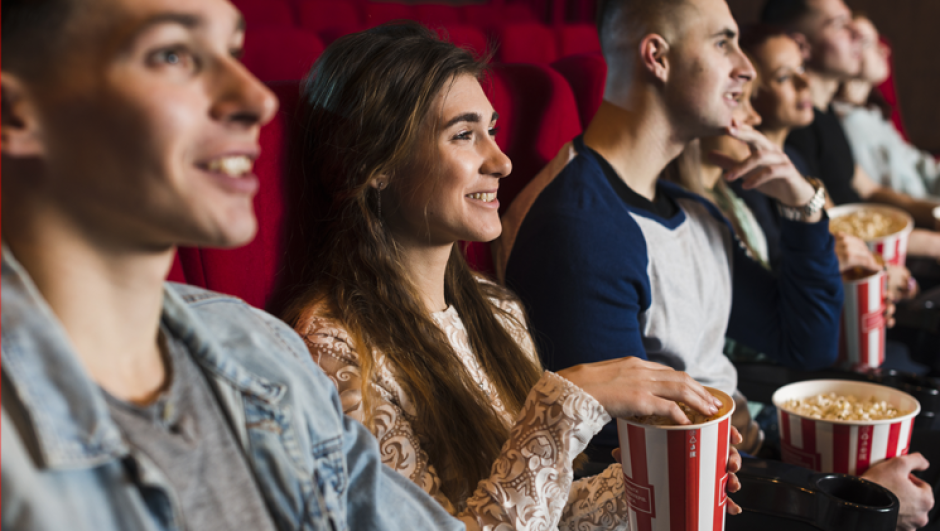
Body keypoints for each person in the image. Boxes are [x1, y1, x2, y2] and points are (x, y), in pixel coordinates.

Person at [2, 0, 480, 529]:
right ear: (17, 114)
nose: (257, 100)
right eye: (172, 55)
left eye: (232, 51)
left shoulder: (263, 351)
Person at [283, 22, 742, 531]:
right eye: (463, 135)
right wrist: (562, 408)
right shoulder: (336, 352)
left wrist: (652, 483)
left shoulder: (495, 308)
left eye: (493, 130)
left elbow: (542, 511)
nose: (501, 161)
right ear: (376, 166)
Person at [499, 0, 843, 467]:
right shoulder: (581, 229)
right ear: (657, 57)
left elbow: (808, 343)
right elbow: (625, 461)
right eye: (724, 43)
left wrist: (802, 206)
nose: (746, 69)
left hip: (732, 461)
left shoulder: (693, 211)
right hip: (680, 489)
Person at [670, 30, 935, 531]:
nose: (751, 120)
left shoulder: (728, 203)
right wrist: (858, 495)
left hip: (761, 409)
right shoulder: (694, 206)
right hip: (746, 426)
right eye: (740, 104)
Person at [761, 0, 940, 262]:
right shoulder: (795, 127)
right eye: (839, 25)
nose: (857, 33)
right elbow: (830, 225)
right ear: (802, 46)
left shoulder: (826, 113)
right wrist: (934, 245)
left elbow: (869, 190)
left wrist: (935, 210)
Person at [834, 15, 940, 200]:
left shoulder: (871, 112)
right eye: (869, 43)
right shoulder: (852, 124)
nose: (884, 50)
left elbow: (918, 164)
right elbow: (893, 196)